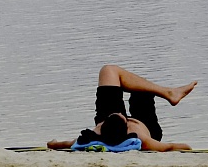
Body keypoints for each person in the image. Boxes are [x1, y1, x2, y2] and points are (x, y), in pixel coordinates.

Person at [48, 64, 197, 152]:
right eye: (121, 116)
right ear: (127, 124)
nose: (121, 113)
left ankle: (167, 92)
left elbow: (67, 143)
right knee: (141, 94)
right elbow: (169, 147)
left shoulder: (94, 134)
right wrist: (187, 148)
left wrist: (54, 143)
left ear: (102, 125)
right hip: (147, 126)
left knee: (108, 70)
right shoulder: (141, 138)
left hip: (112, 127)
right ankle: (169, 93)